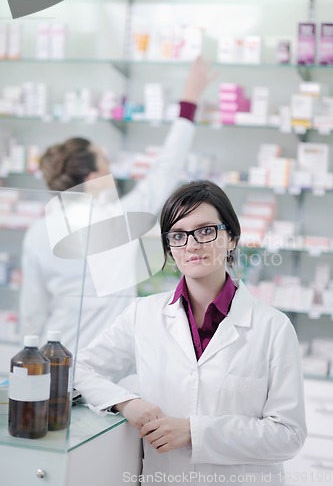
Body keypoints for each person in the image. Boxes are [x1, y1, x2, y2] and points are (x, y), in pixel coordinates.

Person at [74, 179, 307, 486]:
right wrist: (126, 402)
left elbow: (288, 436)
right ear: (169, 248)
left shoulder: (273, 327)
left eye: (206, 230)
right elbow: (78, 369)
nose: (192, 244)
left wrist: (193, 433)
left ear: (232, 238)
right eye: (178, 235)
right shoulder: (143, 314)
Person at [19, 57, 214, 352]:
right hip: (105, 363)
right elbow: (166, 168)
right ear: (92, 177)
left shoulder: (37, 231)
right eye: (106, 163)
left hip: (54, 357)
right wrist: (189, 101)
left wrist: (30, 362)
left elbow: (32, 310)